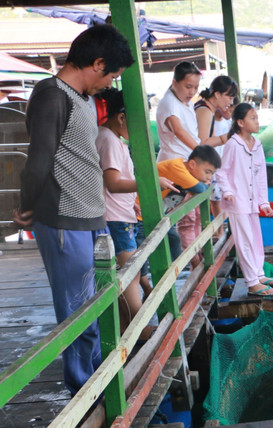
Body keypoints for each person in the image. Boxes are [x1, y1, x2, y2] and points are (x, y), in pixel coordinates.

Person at [15, 24, 134, 396]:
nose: (110, 83)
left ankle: (97, 379)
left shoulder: (81, 97)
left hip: (91, 217)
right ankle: (84, 391)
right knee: (77, 313)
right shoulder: (52, 94)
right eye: (112, 74)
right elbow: (39, 159)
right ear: (97, 63)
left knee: (95, 306)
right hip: (65, 218)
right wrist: (25, 206)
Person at [96, 88, 174, 337]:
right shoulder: (108, 140)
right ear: (121, 118)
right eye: (137, 122)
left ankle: (127, 332)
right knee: (131, 281)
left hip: (122, 216)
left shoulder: (113, 139)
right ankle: (138, 330)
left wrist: (133, 202)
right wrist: (151, 184)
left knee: (124, 279)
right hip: (116, 221)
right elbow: (113, 183)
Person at [219, 103, 273, 298]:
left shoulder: (258, 145)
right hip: (237, 201)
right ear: (240, 122)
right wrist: (227, 191)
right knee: (244, 240)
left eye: (257, 117)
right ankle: (252, 282)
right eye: (252, 118)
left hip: (252, 200)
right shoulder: (233, 144)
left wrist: (264, 202)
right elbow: (222, 171)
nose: (257, 121)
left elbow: (261, 175)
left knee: (255, 238)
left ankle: (259, 274)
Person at [156, 61, 202, 260]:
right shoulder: (169, 102)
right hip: (174, 165)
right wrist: (202, 151)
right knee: (180, 218)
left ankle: (195, 257)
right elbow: (179, 131)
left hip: (188, 164)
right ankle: (187, 262)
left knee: (194, 215)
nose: (192, 91)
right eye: (188, 86)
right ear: (175, 82)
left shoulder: (186, 101)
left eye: (195, 87)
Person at [188, 75, 238, 253]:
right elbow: (201, 144)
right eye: (229, 97)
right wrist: (225, 138)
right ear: (217, 94)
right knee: (191, 219)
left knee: (196, 216)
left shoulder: (206, 108)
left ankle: (201, 251)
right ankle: (199, 254)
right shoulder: (205, 111)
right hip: (193, 167)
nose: (230, 102)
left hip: (197, 167)